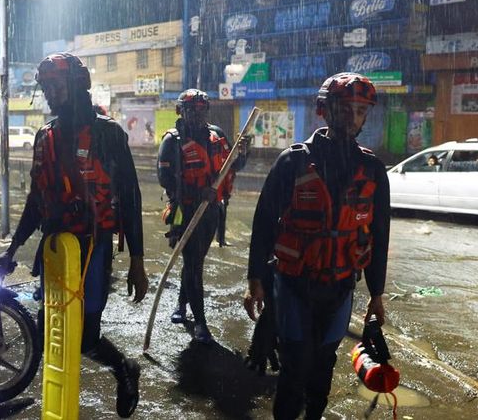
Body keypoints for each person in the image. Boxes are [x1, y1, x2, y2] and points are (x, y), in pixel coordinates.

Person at [0, 52, 148, 418]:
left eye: (56, 85)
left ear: (77, 85)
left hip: (93, 249)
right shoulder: (45, 138)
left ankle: (124, 369)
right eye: (45, 86)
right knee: (51, 328)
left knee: (86, 336)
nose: (49, 92)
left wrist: (137, 262)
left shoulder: (109, 135)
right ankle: (59, 402)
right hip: (57, 249)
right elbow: (35, 200)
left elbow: (132, 200)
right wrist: (11, 251)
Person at [242, 72, 390, 420]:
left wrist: (377, 292)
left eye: (361, 111)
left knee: (323, 364)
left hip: (340, 287)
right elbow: (264, 224)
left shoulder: (372, 169)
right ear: (324, 110)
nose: (354, 118)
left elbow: (379, 232)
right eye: (345, 109)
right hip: (294, 284)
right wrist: (256, 280)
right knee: (295, 365)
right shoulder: (292, 162)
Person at [157, 89, 248, 343]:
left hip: (210, 213)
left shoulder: (216, 135)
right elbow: (165, 179)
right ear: (180, 111)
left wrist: (242, 152)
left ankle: (180, 304)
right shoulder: (172, 141)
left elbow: (234, 165)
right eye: (190, 110)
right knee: (194, 264)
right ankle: (200, 323)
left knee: (194, 262)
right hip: (184, 212)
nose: (196, 115)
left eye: (201, 110)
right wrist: (198, 193)